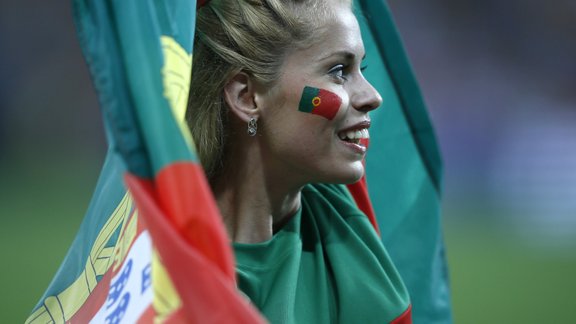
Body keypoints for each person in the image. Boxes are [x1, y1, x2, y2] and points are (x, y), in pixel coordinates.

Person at [187, 0, 412, 322]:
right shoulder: (154, 265)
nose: (373, 96)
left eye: (361, 69)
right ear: (247, 97)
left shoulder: (346, 229)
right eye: (338, 71)